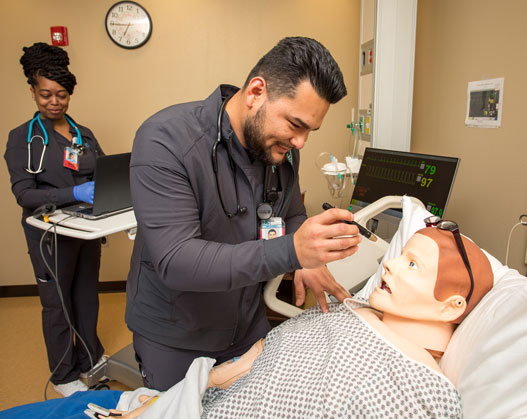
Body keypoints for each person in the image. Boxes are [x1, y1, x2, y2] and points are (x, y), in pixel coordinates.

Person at [125, 36, 362, 391]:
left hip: (248, 327)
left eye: (310, 131)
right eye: (295, 125)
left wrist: (309, 261)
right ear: (255, 93)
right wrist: (293, 252)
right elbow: (176, 260)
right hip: (177, 336)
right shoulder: (166, 140)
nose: (301, 143)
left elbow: (292, 214)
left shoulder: (280, 152)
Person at [101, 220, 494, 418]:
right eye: (399, 254)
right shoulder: (359, 311)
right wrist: (213, 380)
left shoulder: (418, 389)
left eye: (412, 263)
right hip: (213, 390)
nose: (389, 265)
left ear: (451, 306)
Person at [4, 43, 108, 397]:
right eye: (45, 94)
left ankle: (90, 358)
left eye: (61, 95)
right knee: (57, 302)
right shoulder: (22, 138)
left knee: (85, 296)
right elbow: (24, 194)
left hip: (86, 232)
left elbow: (105, 174)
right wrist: (74, 194)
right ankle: (64, 374)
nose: (54, 102)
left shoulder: (84, 135)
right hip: (48, 234)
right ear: (32, 91)